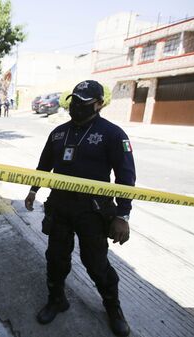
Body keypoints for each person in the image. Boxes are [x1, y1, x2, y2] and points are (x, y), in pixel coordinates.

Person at [24, 80, 135, 337]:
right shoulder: (59, 133)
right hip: (60, 207)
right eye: (74, 101)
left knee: (95, 263)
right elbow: (44, 165)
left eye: (83, 103)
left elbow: (126, 178)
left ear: (99, 104)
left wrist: (122, 214)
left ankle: (112, 308)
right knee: (56, 258)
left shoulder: (113, 134)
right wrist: (33, 190)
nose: (76, 107)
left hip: (93, 211)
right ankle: (57, 299)